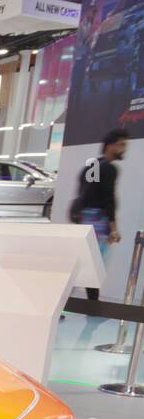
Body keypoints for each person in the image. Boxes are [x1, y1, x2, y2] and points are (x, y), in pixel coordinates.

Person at [71, 128, 127, 300]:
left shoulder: (92, 164)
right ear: (109, 145)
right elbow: (108, 198)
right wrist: (113, 228)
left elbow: (83, 192)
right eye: (121, 145)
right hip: (98, 222)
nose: (123, 149)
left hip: (84, 218)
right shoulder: (110, 168)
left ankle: (91, 305)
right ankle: (91, 305)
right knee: (92, 265)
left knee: (84, 263)